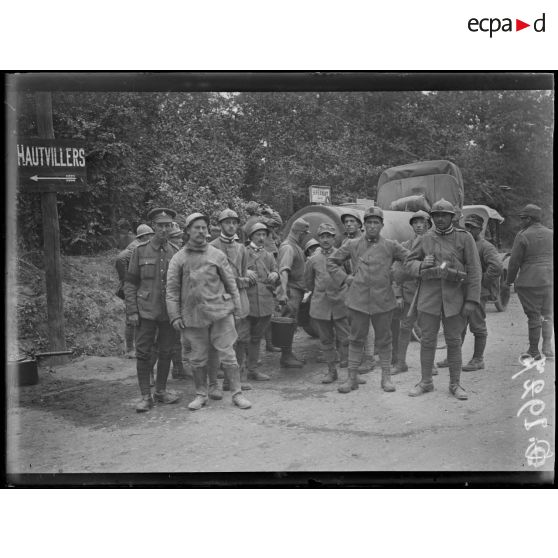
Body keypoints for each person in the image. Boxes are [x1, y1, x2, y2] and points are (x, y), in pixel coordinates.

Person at [166, 212, 252, 410]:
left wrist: (237, 310)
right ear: (188, 231)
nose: (201, 231)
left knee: (228, 354)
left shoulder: (217, 254)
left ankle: (237, 394)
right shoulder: (178, 258)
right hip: (193, 316)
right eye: (196, 227)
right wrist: (174, 316)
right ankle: (200, 394)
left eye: (204, 227)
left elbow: (231, 284)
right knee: (197, 357)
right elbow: (171, 290)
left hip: (221, 313)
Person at [405, 199, 482, 400]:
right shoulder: (424, 238)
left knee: (454, 341)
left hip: (454, 298)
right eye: (436, 215)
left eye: (444, 215)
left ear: (452, 217)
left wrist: (472, 300)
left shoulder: (464, 238)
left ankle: (455, 384)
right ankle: (426, 382)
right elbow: (408, 264)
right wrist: (421, 265)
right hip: (428, 297)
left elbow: (474, 271)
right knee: (427, 340)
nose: (440, 219)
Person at [327, 207, 410, 394]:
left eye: (376, 222)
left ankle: (386, 378)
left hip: (383, 301)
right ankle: (351, 378)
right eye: (369, 222)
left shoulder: (391, 245)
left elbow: (410, 259)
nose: (372, 226)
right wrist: (346, 278)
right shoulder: (352, 244)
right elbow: (332, 261)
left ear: (381, 225)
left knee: (384, 340)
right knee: (355, 339)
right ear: (364, 225)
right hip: (358, 301)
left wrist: (396, 275)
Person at [124, 208, 181, 412]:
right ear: (153, 227)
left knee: (166, 351)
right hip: (145, 311)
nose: (164, 229)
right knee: (143, 353)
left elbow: (179, 285)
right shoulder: (140, 251)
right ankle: (145, 396)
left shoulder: (175, 252)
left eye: (168, 226)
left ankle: (161, 391)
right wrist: (132, 310)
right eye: (160, 225)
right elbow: (130, 284)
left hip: (167, 313)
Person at [208, 209, 257, 395]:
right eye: (227, 222)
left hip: (239, 298)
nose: (231, 225)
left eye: (234, 222)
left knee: (242, 339)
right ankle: (219, 381)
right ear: (220, 225)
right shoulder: (212, 247)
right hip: (220, 299)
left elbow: (244, 273)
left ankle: (237, 378)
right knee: (222, 341)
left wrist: (243, 281)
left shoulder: (241, 248)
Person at [506, 204, 554, 359]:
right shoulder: (550, 233)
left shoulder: (523, 235)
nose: (521, 222)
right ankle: (547, 347)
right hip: (550, 280)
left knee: (533, 316)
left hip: (530, 281)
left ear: (530, 219)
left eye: (523, 218)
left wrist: (508, 282)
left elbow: (514, 262)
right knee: (548, 313)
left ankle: (534, 351)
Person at [304, 223, 350, 384]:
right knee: (326, 340)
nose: (325, 240)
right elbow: (308, 282)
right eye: (322, 236)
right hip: (321, 305)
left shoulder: (343, 255)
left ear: (334, 238)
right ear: (318, 239)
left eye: (328, 236)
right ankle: (331, 371)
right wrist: (319, 292)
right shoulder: (313, 260)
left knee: (346, 339)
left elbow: (350, 277)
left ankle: (352, 373)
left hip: (340, 304)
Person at [460, 213, 502, 370]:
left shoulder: (486, 246)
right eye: (467, 226)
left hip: (478, 293)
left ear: (480, 229)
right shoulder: (463, 244)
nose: (469, 229)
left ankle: (478, 359)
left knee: (477, 325)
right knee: (458, 325)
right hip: (462, 290)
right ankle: (453, 357)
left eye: (473, 227)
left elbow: (496, 267)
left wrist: (481, 281)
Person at [392, 210, 431, 374]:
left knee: (429, 330)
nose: (419, 225)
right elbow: (397, 272)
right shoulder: (405, 246)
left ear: (428, 224)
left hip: (429, 294)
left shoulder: (435, 245)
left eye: (422, 222)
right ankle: (401, 363)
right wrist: (398, 295)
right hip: (409, 294)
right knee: (405, 328)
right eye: (415, 223)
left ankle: (430, 364)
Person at [341, 209, 375, 374]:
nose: (348, 224)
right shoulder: (345, 242)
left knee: (366, 323)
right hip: (351, 287)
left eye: (352, 221)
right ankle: (357, 355)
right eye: (346, 222)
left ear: (360, 224)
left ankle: (369, 358)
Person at [245, 221, 280, 381]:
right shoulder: (243, 253)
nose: (261, 238)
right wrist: (244, 271)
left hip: (265, 303)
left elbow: (275, 271)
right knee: (242, 337)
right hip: (248, 302)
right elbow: (232, 270)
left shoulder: (268, 255)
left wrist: (275, 274)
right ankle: (237, 373)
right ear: (251, 236)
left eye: (264, 235)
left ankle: (253, 370)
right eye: (258, 234)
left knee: (257, 337)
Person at [276, 217, 311, 368]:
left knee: (292, 323)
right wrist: (283, 292)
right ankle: (286, 356)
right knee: (287, 324)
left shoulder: (295, 245)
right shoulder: (288, 247)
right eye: (304, 233)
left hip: (296, 290)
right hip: (291, 291)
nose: (305, 236)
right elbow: (284, 270)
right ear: (299, 233)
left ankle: (288, 354)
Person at [115, 224, 154, 358]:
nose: (152, 237)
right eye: (150, 235)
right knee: (131, 317)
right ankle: (130, 349)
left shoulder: (138, 245)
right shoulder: (136, 247)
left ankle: (136, 348)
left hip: (135, 285)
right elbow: (120, 258)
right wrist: (126, 279)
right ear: (145, 236)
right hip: (132, 286)